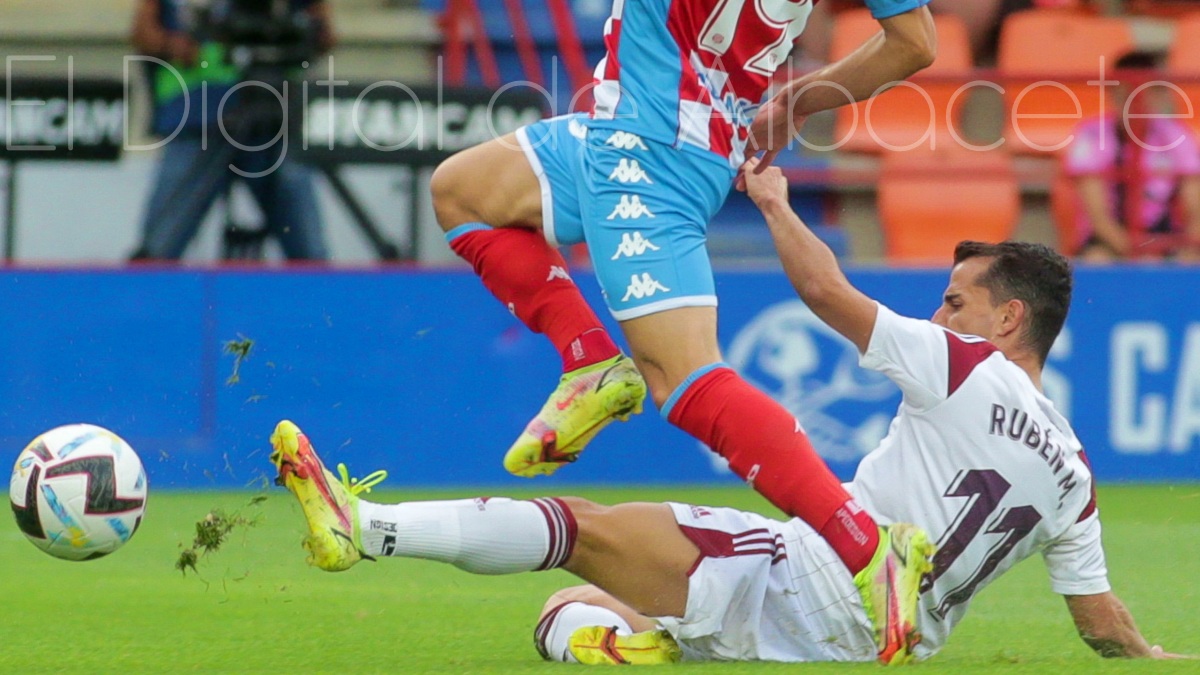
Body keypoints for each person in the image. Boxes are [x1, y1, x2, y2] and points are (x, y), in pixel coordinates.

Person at [267, 160, 1189, 664]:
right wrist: (1153, 656)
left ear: (1008, 318)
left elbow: (828, 291)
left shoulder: (965, 364)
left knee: (578, 529)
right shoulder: (1075, 472)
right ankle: (639, 647)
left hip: (812, 576)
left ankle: (368, 527)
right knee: (568, 608)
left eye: (955, 299)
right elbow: (1099, 620)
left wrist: (776, 201)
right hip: (872, 644)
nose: (941, 312)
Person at [428, 0, 938, 658]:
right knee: (462, 190)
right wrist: (800, 99)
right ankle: (590, 362)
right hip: (644, 125)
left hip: (650, 149)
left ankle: (868, 548)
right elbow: (914, 42)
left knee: (687, 380)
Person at [129, 0, 332, 261]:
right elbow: (142, 32)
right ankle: (145, 294)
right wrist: (175, 45)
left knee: (309, 249)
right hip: (197, 118)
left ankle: (321, 293)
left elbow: (324, 32)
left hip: (273, 117)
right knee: (159, 246)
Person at [1063, 51, 1200, 262]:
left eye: (1146, 93)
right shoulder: (1089, 135)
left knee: (1191, 261)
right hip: (1109, 240)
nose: (1135, 103)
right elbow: (1099, 217)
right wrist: (1137, 254)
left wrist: (1175, 249)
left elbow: (1195, 211)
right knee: (1096, 261)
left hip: (1164, 238)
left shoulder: (1179, 136)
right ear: (1111, 92)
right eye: (1126, 93)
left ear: (1160, 93)